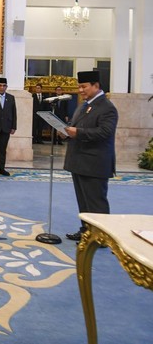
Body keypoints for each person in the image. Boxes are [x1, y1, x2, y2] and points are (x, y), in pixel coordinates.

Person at [63, 71, 118, 241]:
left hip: (95, 163)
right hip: (79, 161)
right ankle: (86, 231)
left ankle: (101, 237)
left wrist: (77, 132)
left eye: (84, 87)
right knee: (83, 201)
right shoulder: (84, 105)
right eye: (79, 87)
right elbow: (75, 126)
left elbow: (104, 132)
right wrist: (66, 132)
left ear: (96, 86)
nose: (80, 90)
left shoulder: (107, 108)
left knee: (95, 202)